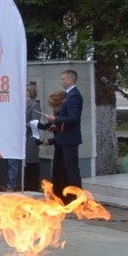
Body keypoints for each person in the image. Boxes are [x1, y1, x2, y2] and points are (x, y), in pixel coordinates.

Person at [41, 69, 83, 202]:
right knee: (61, 169)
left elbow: (73, 118)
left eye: (63, 79)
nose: (61, 82)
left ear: (70, 80)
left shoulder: (73, 96)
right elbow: (66, 118)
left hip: (70, 139)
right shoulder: (68, 95)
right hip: (63, 138)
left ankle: (76, 198)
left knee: (71, 170)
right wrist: (56, 126)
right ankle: (62, 196)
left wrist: (56, 119)